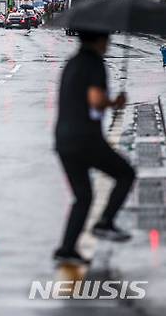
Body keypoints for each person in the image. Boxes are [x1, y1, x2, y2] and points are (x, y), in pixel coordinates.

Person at [53, 30, 136, 265]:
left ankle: (66, 249)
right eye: (107, 39)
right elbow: (95, 99)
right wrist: (115, 102)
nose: (108, 43)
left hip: (63, 140)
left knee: (83, 197)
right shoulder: (94, 64)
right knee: (125, 173)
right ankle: (105, 222)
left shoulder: (72, 62)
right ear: (99, 40)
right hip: (86, 139)